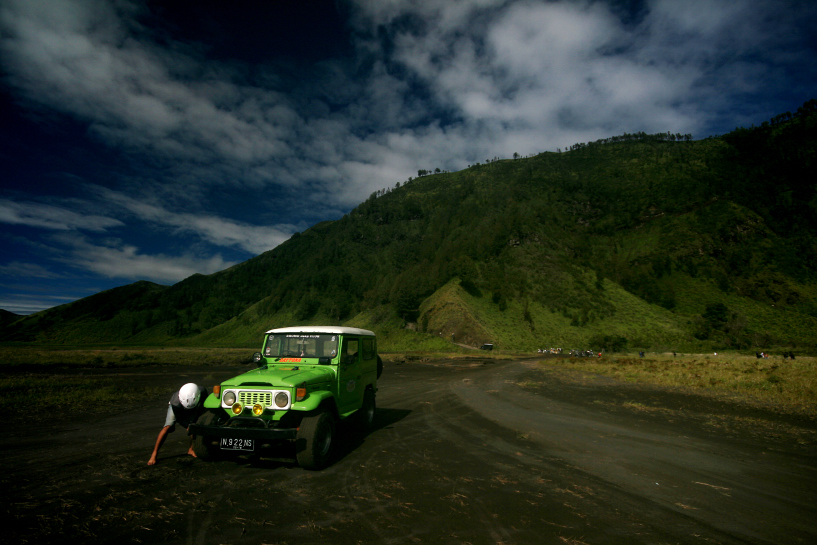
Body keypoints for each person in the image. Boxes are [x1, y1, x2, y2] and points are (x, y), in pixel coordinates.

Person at [148, 383, 207, 466]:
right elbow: (179, 418)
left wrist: (192, 425)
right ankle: (154, 453)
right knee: (167, 427)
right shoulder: (175, 402)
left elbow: (202, 408)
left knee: (194, 426)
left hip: (195, 406)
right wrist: (187, 426)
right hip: (178, 408)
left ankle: (191, 449)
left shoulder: (203, 392)